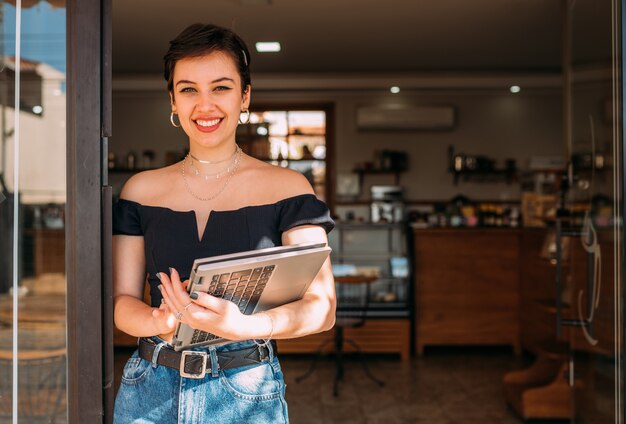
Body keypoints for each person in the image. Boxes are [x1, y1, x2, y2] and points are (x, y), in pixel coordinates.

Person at [112, 23, 335, 423]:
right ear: (173, 101)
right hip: (149, 388)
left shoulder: (289, 187)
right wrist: (156, 320)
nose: (205, 105)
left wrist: (246, 325)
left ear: (245, 96)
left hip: (246, 389)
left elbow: (322, 309)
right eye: (188, 89)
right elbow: (120, 302)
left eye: (221, 87)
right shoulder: (139, 190)